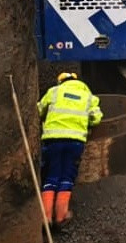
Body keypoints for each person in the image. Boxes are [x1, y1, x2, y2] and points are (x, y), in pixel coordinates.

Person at [37, 72, 103, 227]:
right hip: (75, 142)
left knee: (51, 176)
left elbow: (39, 109)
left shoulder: (54, 91)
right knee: (67, 176)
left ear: (61, 82)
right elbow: (96, 117)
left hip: (52, 140)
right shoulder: (88, 97)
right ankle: (61, 216)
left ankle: (46, 218)